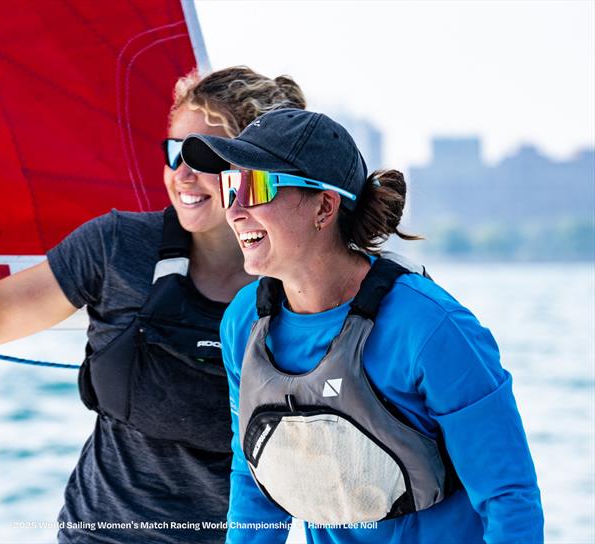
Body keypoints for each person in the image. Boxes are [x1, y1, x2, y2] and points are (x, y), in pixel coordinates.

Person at [0, 67, 306, 543]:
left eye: (203, 156)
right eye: (174, 152)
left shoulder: (301, 285)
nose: (181, 174)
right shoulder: (118, 247)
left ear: (256, 168)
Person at [181, 108, 544, 543]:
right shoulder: (244, 323)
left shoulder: (430, 329)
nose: (235, 210)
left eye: (255, 186)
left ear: (324, 206)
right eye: (230, 186)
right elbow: (252, 479)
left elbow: (509, 498)